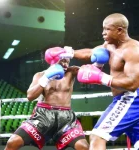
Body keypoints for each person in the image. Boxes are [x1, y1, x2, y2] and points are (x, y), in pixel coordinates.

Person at [44, 13, 139, 149]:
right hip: (128, 98)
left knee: (97, 136)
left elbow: (133, 84)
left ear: (120, 30)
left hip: (131, 98)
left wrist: (101, 78)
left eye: (107, 29)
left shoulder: (133, 50)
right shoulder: (110, 45)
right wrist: (68, 53)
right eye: (103, 29)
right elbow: (93, 52)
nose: (103, 33)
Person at [4, 58, 89, 150]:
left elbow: (89, 72)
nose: (65, 64)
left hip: (65, 118)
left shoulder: (71, 72)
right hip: (43, 115)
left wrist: (98, 65)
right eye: (62, 61)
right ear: (53, 60)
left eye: (67, 62)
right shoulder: (40, 75)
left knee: (83, 146)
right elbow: (30, 96)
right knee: (13, 142)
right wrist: (46, 78)